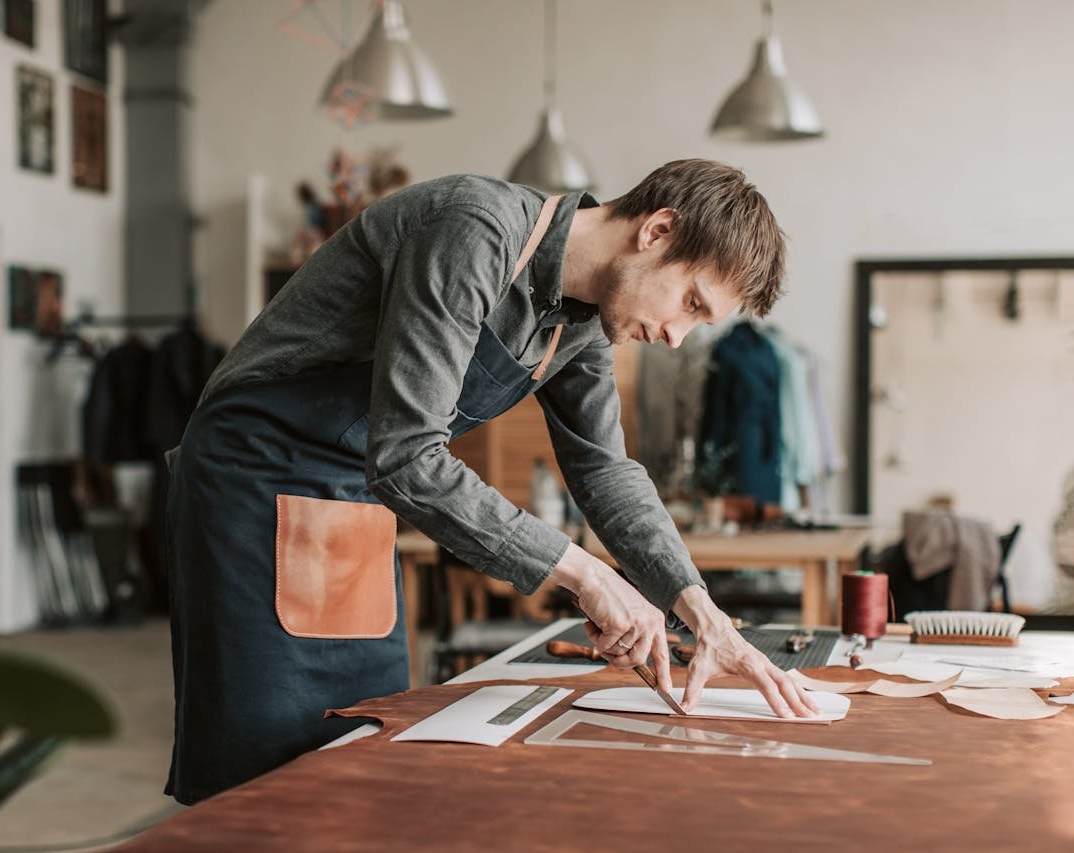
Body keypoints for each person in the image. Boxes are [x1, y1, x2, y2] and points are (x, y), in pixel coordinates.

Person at [164, 158, 819, 805]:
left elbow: (604, 470)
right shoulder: (472, 230)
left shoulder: (579, 323)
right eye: (691, 302)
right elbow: (408, 455)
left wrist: (702, 612)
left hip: (355, 497)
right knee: (259, 770)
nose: (677, 337)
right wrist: (589, 576)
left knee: (359, 741)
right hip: (254, 473)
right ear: (657, 231)